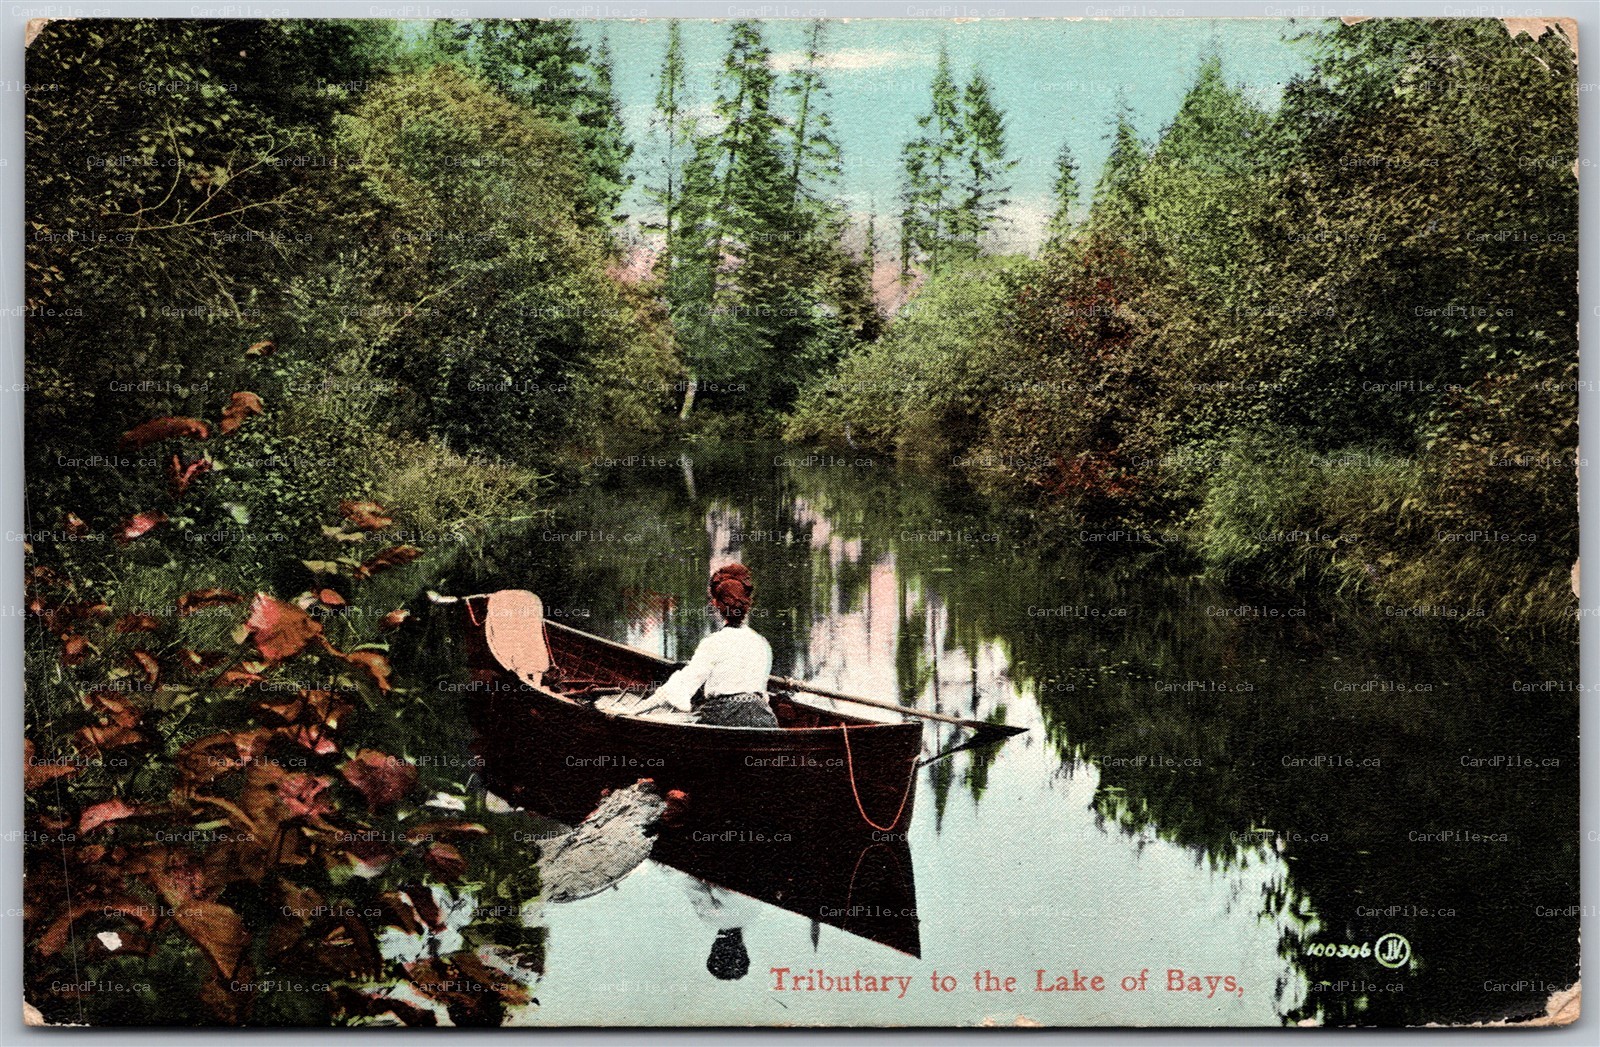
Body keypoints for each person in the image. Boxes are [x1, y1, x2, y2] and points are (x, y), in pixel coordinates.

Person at [622, 564, 779, 728]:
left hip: (724, 717)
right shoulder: (762, 643)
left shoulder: (713, 642)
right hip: (764, 719)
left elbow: (680, 687)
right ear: (746, 604)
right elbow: (760, 693)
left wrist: (632, 712)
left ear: (715, 604)